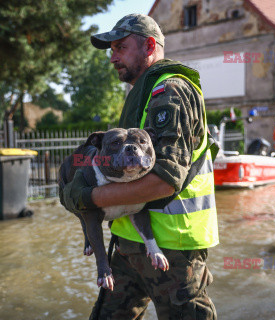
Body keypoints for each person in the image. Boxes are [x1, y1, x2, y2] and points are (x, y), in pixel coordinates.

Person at [61, 13, 219, 320]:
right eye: (111, 50)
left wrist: (88, 198)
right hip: (129, 244)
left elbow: (164, 182)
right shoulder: (142, 92)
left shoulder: (170, 91)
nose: (112, 57)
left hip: (173, 249)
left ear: (148, 46)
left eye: (120, 47)